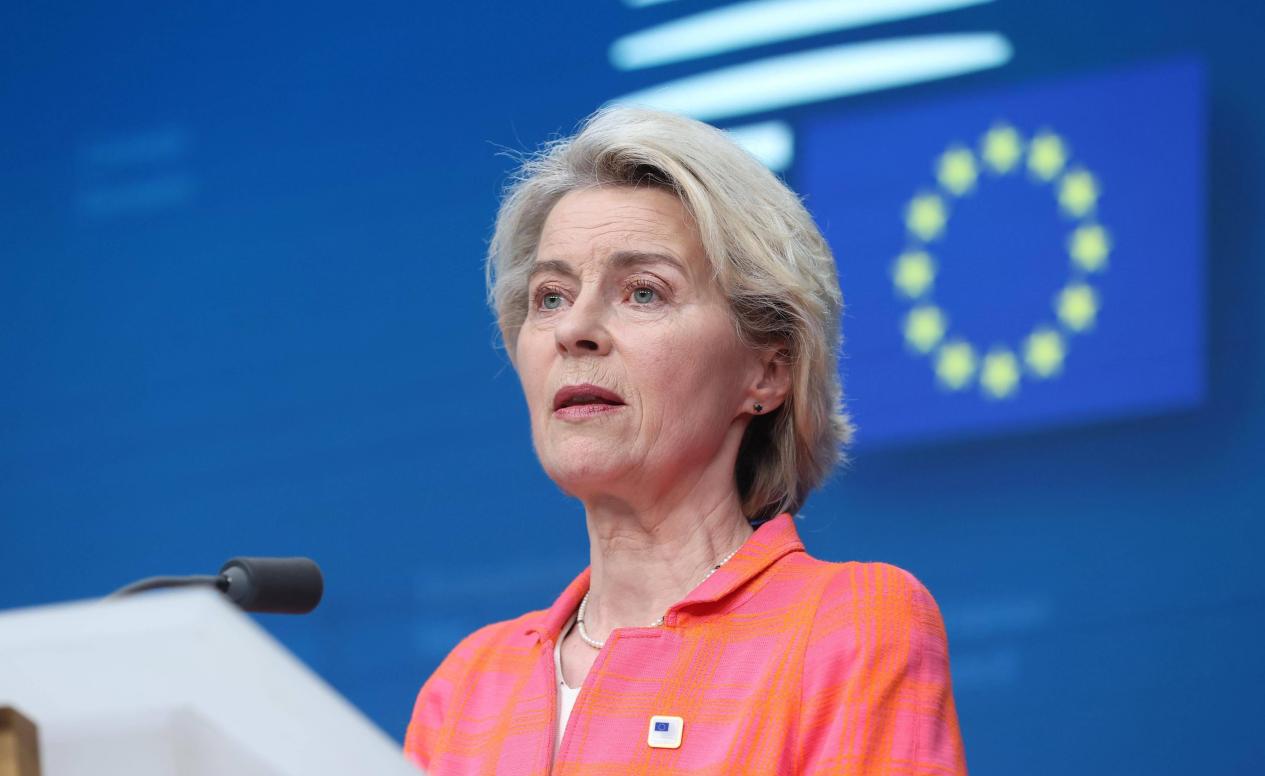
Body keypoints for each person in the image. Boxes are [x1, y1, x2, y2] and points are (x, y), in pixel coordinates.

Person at [404, 107, 967, 775]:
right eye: (550, 297)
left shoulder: (848, 624)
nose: (574, 329)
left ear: (767, 371)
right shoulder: (467, 688)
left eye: (643, 293)